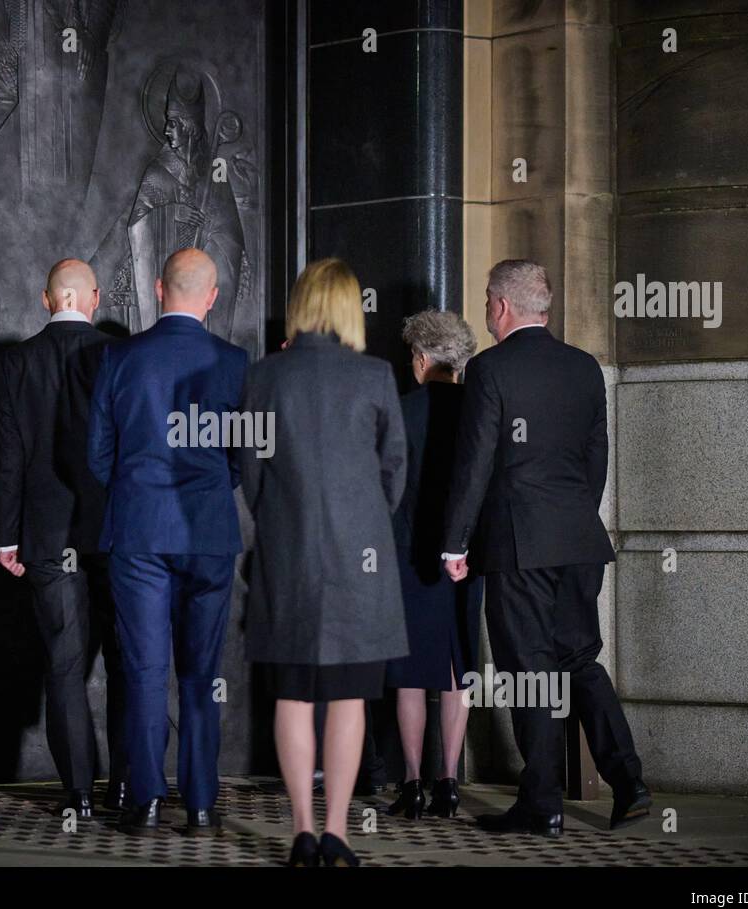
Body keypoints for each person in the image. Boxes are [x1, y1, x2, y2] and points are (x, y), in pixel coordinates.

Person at [442, 259, 650, 836]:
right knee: (579, 660)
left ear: (501, 306)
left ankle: (542, 803)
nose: (486, 312)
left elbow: (476, 462)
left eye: (487, 301)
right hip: (579, 538)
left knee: (531, 669)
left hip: (518, 543)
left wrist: (454, 543)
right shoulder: (584, 367)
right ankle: (629, 782)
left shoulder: (489, 369)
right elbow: (595, 458)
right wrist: (573, 517)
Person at [239, 258, 408, 867]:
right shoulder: (375, 376)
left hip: (288, 559)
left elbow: (250, 476)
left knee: (292, 695)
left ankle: (302, 835)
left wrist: (284, 524)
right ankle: (337, 832)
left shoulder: (263, 378)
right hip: (359, 565)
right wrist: (361, 520)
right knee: (347, 699)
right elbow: (394, 474)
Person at [88, 248, 248, 836]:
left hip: (140, 530)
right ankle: (202, 802)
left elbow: (98, 454)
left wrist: (138, 491)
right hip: (207, 532)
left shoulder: (120, 357)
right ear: (212, 297)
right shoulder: (234, 362)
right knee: (201, 674)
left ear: (159, 289)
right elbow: (241, 457)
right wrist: (208, 490)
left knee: (144, 670)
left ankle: (146, 799)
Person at [0, 258, 127, 818]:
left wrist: (6, 537)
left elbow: (8, 459)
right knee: (127, 661)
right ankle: (125, 786)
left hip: (46, 535)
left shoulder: (14, 363)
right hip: (116, 531)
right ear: (93, 298)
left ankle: (78, 793)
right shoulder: (118, 356)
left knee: (64, 666)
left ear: (47, 300)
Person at [385, 310, 483, 820]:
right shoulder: (477, 409)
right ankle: (449, 783)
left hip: (407, 554)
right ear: (460, 361)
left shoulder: (399, 411)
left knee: (408, 673)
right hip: (464, 556)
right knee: (455, 668)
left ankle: (412, 784)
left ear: (421, 359)